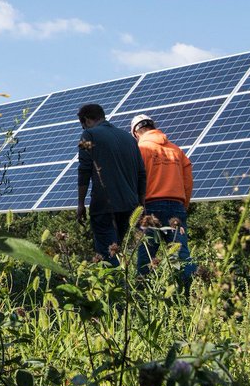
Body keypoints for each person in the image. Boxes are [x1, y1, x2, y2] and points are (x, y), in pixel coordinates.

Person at [130, 113, 197, 287]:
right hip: (176, 206)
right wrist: (184, 205)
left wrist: (135, 208)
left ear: (136, 133)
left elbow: (134, 180)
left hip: (150, 207)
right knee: (182, 254)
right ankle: (193, 292)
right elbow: (188, 181)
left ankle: (142, 294)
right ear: (153, 127)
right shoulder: (176, 150)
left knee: (146, 255)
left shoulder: (140, 149)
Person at [77, 103, 146, 266]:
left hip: (104, 206)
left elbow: (84, 170)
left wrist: (80, 203)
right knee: (117, 250)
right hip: (129, 206)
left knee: (108, 256)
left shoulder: (88, 135)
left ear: (86, 120)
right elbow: (141, 173)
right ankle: (124, 286)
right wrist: (141, 204)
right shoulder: (129, 138)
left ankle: (114, 288)